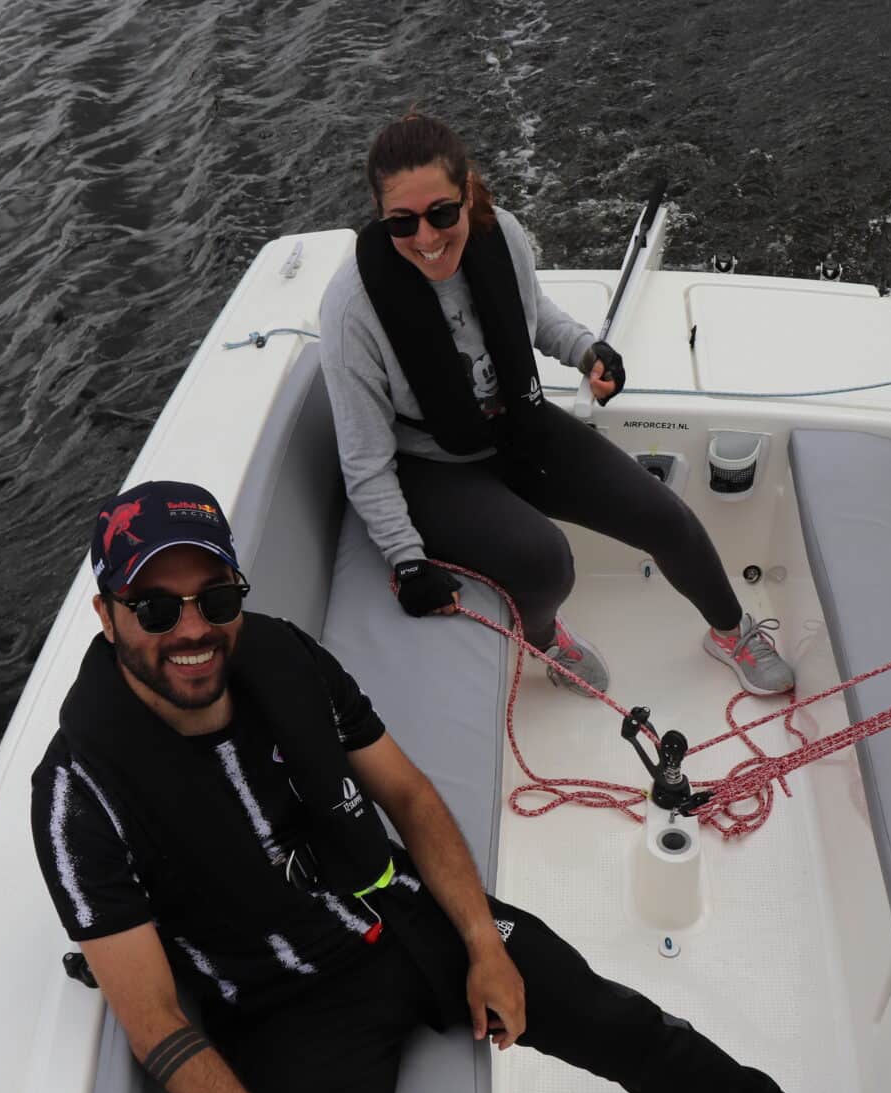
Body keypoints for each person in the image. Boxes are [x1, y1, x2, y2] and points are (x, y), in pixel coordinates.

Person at [30, 482, 891, 1093]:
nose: (191, 628)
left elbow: (409, 797)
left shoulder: (286, 657)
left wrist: (483, 942)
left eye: (215, 598)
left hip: (401, 916)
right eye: (155, 607)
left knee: (618, 1020)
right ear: (107, 615)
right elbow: (155, 1023)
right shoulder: (76, 795)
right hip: (286, 1011)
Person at [319, 112, 795, 698]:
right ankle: (547, 640)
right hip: (432, 465)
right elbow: (364, 460)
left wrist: (585, 350)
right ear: (379, 214)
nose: (426, 238)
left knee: (665, 517)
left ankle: (730, 633)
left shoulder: (503, 234)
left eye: (442, 213)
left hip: (516, 426)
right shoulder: (352, 309)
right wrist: (407, 561)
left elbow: (532, 313)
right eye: (402, 221)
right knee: (546, 562)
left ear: (467, 193)